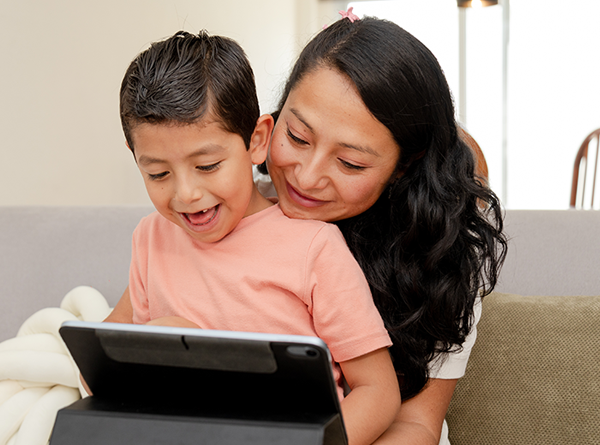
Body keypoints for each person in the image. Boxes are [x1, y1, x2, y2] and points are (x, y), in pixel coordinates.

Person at [106, 30, 401, 444]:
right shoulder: (152, 238)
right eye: (158, 173)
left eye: (207, 165)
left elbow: (378, 392)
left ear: (257, 141)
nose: (185, 194)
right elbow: (101, 360)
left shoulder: (313, 248)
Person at [251, 12, 508, 445]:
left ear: (404, 167)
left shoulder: (440, 252)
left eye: (350, 163)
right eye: (296, 136)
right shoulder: (237, 215)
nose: (307, 177)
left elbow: (415, 425)